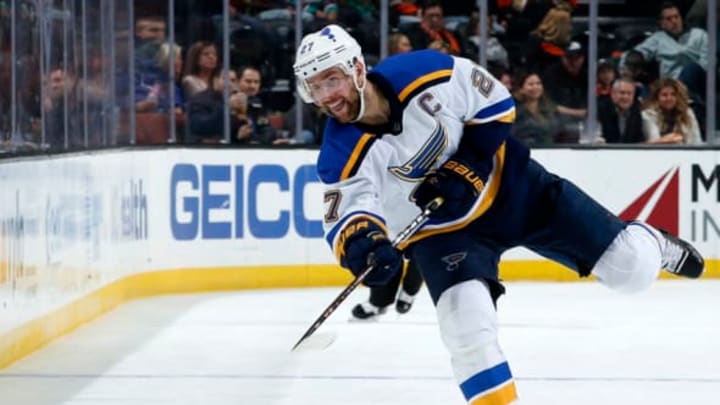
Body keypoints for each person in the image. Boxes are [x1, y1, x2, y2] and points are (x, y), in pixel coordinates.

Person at [293, 24, 705, 404]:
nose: (327, 95)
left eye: (333, 79)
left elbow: (496, 103)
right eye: (315, 87)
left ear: (358, 69)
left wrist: (466, 164)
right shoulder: (339, 155)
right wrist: (367, 249)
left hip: (513, 188)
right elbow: (348, 219)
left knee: (631, 270)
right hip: (443, 236)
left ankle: (652, 242)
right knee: (465, 329)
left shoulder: (426, 71)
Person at [641, 77, 703, 145]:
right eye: (664, 95)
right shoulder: (648, 115)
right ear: (657, 98)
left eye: (673, 94)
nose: (669, 98)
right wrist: (669, 139)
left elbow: (697, 141)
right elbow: (654, 141)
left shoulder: (687, 113)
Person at [597, 77, 645, 143]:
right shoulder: (600, 110)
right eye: (622, 93)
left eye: (629, 93)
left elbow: (638, 139)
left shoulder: (635, 111)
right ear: (613, 94)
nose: (626, 97)